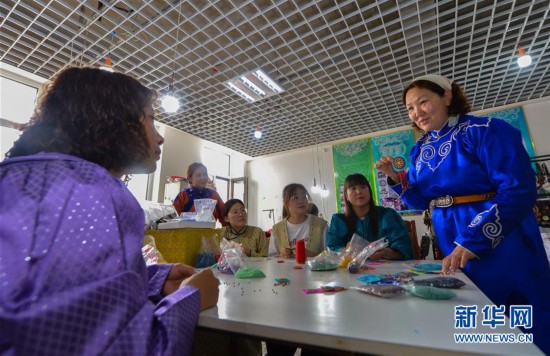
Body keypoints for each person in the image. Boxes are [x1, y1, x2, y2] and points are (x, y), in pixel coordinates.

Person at [0, 67, 219, 355]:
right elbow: (124, 347)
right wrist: (192, 297)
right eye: (151, 120)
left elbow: (54, 289)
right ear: (117, 122)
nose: (160, 137)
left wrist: (153, 279)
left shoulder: (17, 178)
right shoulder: (99, 195)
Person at [375, 74, 550, 353]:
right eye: (409, 107)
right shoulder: (419, 150)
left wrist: (474, 238)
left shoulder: (486, 130)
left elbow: (518, 190)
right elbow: (423, 201)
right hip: (450, 236)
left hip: (501, 236)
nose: (416, 112)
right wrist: (395, 178)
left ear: (447, 96)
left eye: (423, 101)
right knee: (474, 310)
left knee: (516, 311)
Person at [327, 173, 412, 260]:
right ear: (346, 196)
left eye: (363, 187)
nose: (359, 191)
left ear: (369, 191)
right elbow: (333, 249)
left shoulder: (387, 215)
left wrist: (386, 252)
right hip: (351, 271)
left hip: (386, 270)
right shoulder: (338, 220)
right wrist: (344, 251)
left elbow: (404, 247)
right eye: (353, 188)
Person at [268, 184, 327, 258]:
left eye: (304, 196)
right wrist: (281, 256)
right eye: (295, 197)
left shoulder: (321, 225)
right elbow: (271, 259)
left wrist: (314, 256)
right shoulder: (277, 229)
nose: (301, 201)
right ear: (285, 202)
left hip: (314, 269)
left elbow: (331, 255)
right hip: (285, 270)